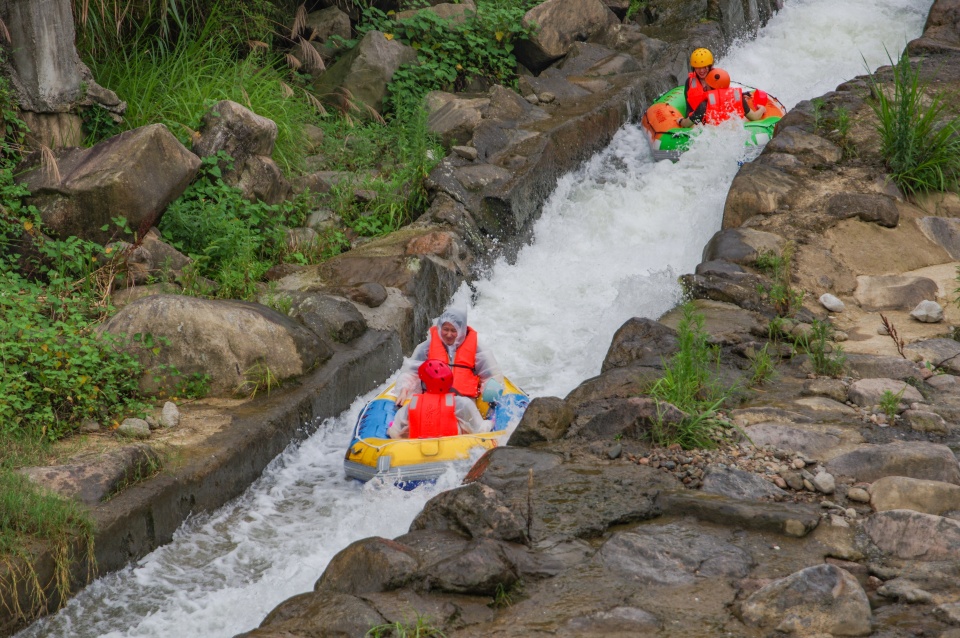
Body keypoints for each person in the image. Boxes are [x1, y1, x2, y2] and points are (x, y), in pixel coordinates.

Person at [393, 306, 504, 406]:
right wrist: (404, 390)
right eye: (445, 329)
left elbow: (490, 376)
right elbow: (411, 373)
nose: (449, 335)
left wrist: (491, 396)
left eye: (453, 330)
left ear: (461, 330)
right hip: (432, 398)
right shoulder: (426, 347)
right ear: (440, 328)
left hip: (463, 400)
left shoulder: (477, 348)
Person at [388, 360, 493, 439]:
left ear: (424, 384)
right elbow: (481, 430)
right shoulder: (462, 404)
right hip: (455, 456)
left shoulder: (411, 406)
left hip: (417, 457)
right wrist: (492, 422)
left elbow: (394, 433)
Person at [680, 68, 767, 127]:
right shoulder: (738, 99)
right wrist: (762, 109)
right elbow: (755, 117)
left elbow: (686, 124)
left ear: (710, 86)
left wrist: (679, 121)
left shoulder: (704, 105)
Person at [681, 47, 715, 124]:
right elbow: (689, 107)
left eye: (704, 67)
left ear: (710, 66)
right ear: (694, 68)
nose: (701, 71)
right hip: (697, 118)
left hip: (715, 117)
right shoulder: (689, 82)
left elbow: (725, 98)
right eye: (698, 68)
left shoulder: (718, 78)